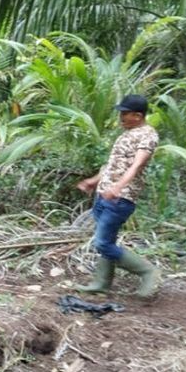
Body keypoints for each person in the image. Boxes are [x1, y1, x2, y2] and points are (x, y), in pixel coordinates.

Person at [76, 94, 159, 297]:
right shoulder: (126, 134)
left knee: (102, 244)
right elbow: (112, 166)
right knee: (107, 240)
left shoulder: (147, 135)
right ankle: (102, 282)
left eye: (125, 114)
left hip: (121, 197)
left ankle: (149, 272)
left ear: (138, 116)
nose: (120, 117)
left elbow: (137, 165)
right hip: (104, 195)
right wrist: (94, 181)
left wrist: (118, 188)